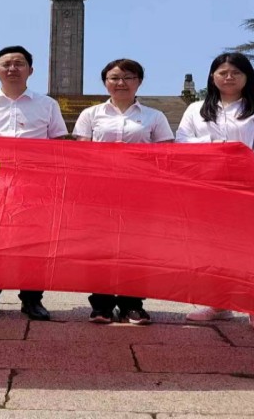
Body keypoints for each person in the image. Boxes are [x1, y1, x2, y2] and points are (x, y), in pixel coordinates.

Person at [176, 52, 254, 338]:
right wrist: (217, 145)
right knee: (212, 246)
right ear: (212, 77)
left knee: (252, 247)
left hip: (246, 183)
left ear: (247, 77)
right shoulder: (197, 109)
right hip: (207, 185)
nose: (229, 77)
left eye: (236, 72)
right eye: (222, 72)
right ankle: (219, 302)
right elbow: (182, 142)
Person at [0, 46, 69, 322]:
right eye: (6, 64)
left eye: (19, 64)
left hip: (34, 185)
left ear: (30, 70)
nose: (12, 69)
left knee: (33, 241)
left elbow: (58, 143)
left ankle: (32, 299)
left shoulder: (47, 104)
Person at [73, 58, 174, 325]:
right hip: (99, 191)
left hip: (140, 191)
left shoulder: (154, 116)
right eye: (114, 78)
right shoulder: (91, 115)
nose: (121, 83)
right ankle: (101, 304)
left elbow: (166, 154)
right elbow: (82, 152)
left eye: (128, 77)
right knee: (99, 247)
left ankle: (132, 304)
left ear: (139, 82)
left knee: (136, 247)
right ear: (105, 82)